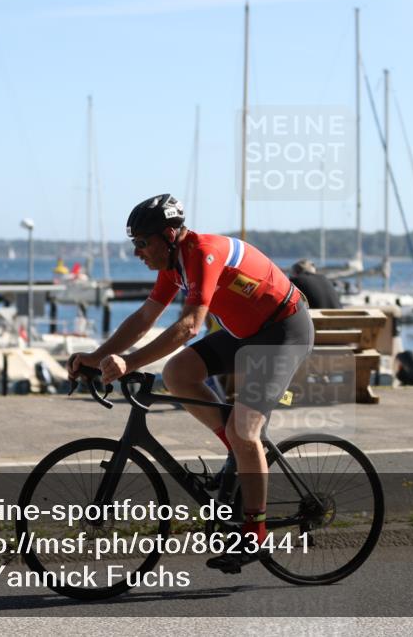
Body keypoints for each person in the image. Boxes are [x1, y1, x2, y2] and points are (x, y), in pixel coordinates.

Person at [68, 194, 314, 573]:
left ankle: (257, 532)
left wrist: (129, 362)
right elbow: (144, 317)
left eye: (142, 242)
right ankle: (236, 453)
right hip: (245, 332)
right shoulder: (173, 265)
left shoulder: (203, 253)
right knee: (177, 375)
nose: (137, 252)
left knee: (246, 433)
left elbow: (189, 326)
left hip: (283, 332)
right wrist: (96, 356)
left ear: (168, 236)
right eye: (133, 243)